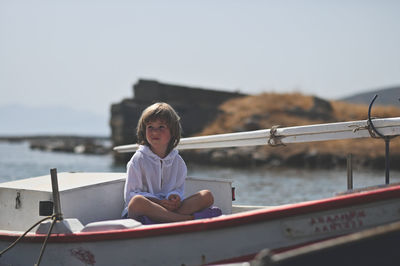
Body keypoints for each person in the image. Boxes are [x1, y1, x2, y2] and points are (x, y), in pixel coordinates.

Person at [122, 102, 221, 224]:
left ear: (172, 131)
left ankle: (166, 219)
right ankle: (188, 220)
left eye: (161, 127)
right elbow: (131, 195)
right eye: (150, 127)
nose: (154, 132)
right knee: (137, 202)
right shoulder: (138, 159)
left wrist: (174, 198)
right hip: (145, 210)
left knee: (207, 196)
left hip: (168, 209)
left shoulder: (178, 161)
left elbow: (178, 189)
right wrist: (158, 202)